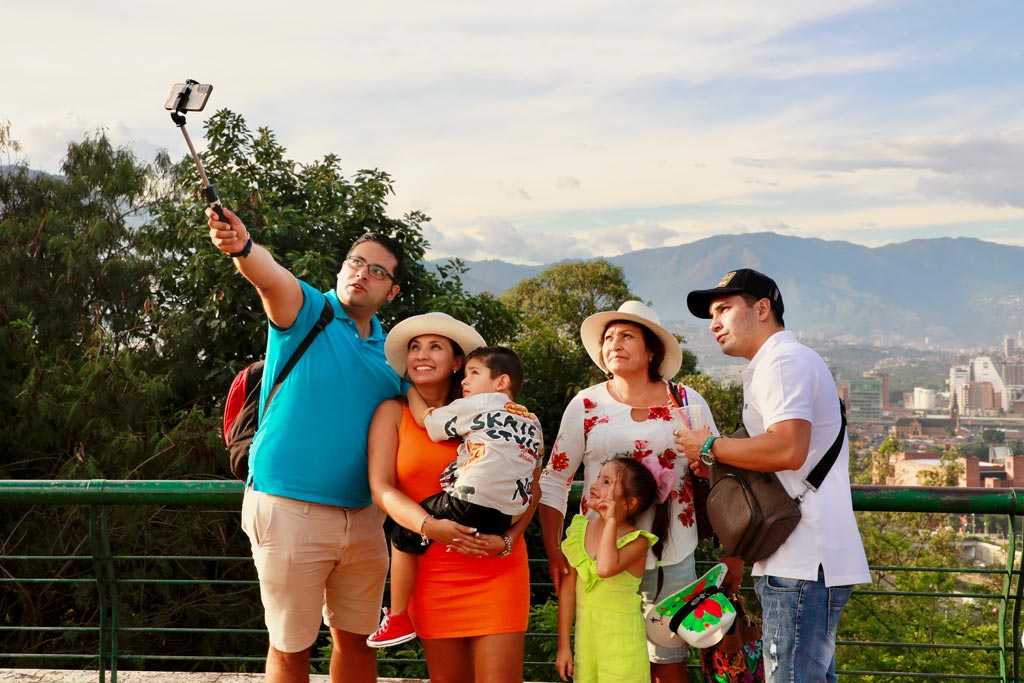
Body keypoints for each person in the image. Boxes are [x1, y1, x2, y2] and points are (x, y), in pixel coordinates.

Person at [207, 208, 407, 683]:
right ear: (342, 269)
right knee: (292, 647)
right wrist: (243, 247)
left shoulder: (395, 354)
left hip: (363, 520)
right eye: (357, 262)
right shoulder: (309, 313)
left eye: (378, 270)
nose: (363, 273)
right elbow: (270, 277)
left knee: (357, 641)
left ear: (391, 292)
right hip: (288, 508)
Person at [678, 268, 871, 683]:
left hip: (802, 560)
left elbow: (787, 448)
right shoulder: (780, 363)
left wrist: (710, 446)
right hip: (797, 558)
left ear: (763, 308)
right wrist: (720, 460)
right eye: (712, 313)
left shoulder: (783, 362)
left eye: (725, 309)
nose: (714, 323)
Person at [539, 300, 733, 683]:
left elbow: (719, 472)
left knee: (670, 657)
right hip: (602, 555)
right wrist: (554, 552)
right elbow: (555, 478)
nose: (615, 343)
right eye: (608, 337)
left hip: (672, 551)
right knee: (606, 651)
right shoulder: (587, 404)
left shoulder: (686, 401)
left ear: (651, 351)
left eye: (627, 335)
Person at [367, 313, 538, 683]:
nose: (421, 355)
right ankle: (395, 616)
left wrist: (509, 539)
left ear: (458, 362)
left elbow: (533, 486)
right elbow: (381, 489)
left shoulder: (490, 411)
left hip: (498, 570)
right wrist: (429, 526)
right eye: (414, 347)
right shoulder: (392, 413)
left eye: (435, 347)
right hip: (429, 572)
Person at [556, 456, 667, 683]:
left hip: (623, 649)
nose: (595, 485)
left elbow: (605, 568)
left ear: (629, 503)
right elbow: (568, 590)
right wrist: (564, 646)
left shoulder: (637, 541)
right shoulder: (579, 529)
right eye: (599, 478)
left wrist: (611, 522)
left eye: (607, 482)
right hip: (586, 646)